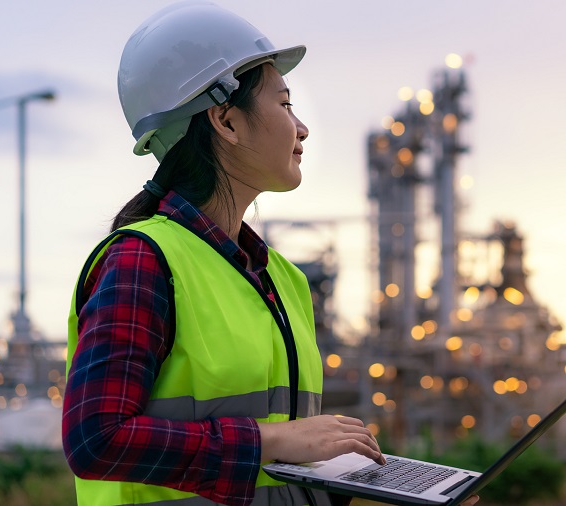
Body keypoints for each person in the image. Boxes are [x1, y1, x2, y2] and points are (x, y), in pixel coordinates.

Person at [61, 2, 390, 505]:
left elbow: (279, 476)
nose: (301, 128)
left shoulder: (282, 278)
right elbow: (95, 441)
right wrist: (270, 440)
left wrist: (374, 486)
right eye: (284, 104)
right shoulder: (143, 261)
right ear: (226, 121)